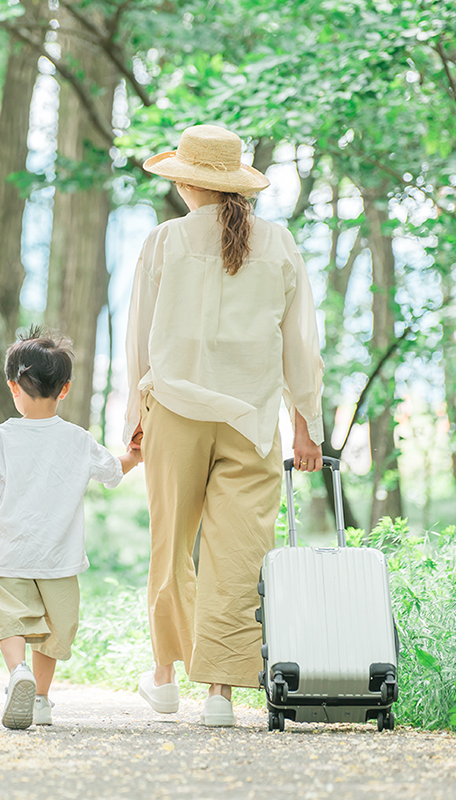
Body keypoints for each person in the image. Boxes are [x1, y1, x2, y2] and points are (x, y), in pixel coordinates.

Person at [124, 124, 325, 728]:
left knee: (171, 549)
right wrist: (306, 423)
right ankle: (219, 694)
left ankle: (163, 678)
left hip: (176, 414)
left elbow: (140, 343)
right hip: (251, 421)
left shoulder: (164, 242)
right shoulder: (279, 243)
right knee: (239, 556)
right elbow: (300, 346)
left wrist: (134, 421)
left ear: (186, 180)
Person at [0, 332, 141, 730]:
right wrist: (135, 455)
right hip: (57, 559)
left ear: (13, 388)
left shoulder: (2, 438)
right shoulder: (77, 439)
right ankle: (39, 698)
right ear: (65, 389)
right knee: (56, 631)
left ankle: (16, 672)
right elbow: (113, 471)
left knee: (12, 621)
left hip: (8, 555)